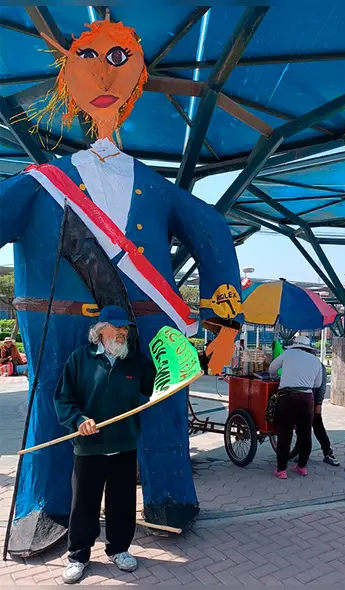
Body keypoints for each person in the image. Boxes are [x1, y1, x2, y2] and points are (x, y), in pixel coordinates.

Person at [4, 18, 244, 549]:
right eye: (89, 57)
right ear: (68, 73)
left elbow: (212, 231)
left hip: (149, 320)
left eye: (119, 60)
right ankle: (44, 507)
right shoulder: (40, 184)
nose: (105, 75)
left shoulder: (155, 188)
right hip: (58, 320)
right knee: (55, 403)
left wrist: (224, 322)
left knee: (158, 408)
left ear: (136, 77)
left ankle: (169, 495)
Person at [52, 306, 154, 584]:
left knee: (122, 502)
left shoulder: (135, 362)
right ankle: (78, 555)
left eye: (125, 329)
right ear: (100, 331)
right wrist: (78, 419)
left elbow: (154, 387)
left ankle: (119, 549)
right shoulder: (79, 360)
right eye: (117, 328)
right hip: (89, 447)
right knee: (84, 504)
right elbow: (63, 399)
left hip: (124, 445)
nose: (122, 333)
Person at [268, 335, 324, 479]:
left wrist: (276, 376)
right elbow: (317, 384)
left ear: (294, 345)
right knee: (305, 434)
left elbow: (272, 369)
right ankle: (302, 467)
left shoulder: (288, 354)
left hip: (288, 397)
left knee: (285, 433)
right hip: (307, 399)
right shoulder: (315, 361)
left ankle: (281, 470)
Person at [288, 345, 340, 468]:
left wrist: (319, 403)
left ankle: (327, 452)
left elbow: (321, 386)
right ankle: (304, 454)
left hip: (311, 401)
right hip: (303, 400)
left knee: (317, 427)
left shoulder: (318, 365)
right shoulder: (299, 364)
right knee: (304, 429)